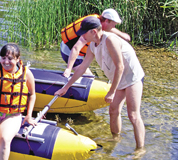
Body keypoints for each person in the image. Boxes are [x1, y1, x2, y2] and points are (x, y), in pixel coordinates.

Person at [55, 16, 145, 150]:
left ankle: (140, 149)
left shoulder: (110, 40)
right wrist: (66, 87)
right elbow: (82, 68)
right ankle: (116, 139)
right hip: (119, 78)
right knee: (113, 110)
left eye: (84, 32)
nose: (82, 36)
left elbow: (120, 66)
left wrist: (111, 92)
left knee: (133, 115)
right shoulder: (92, 46)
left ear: (93, 32)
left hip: (132, 77)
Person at [61, 8, 131, 78]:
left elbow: (109, 28)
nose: (113, 27)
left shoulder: (99, 23)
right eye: (114, 25)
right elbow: (76, 48)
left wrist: (122, 35)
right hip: (69, 52)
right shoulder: (90, 29)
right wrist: (68, 68)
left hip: (76, 51)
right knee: (89, 77)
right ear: (106, 21)